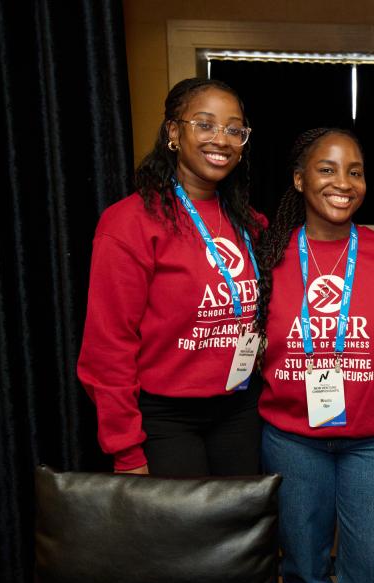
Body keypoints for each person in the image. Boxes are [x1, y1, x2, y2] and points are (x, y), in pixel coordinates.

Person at [256, 128, 374, 583]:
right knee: (302, 574)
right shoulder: (269, 255)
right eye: (327, 169)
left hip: (372, 445)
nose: (343, 182)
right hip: (292, 442)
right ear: (299, 180)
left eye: (355, 172)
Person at [77, 77, 265, 476]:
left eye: (235, 129)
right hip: (165, 419)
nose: (222, 139)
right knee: (183, 537)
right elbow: (107, 347)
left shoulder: (249, 222)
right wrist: (126, 450)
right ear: (174, 132)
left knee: (239, 535)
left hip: (240, 410)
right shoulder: (129, 223)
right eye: (206, 124)